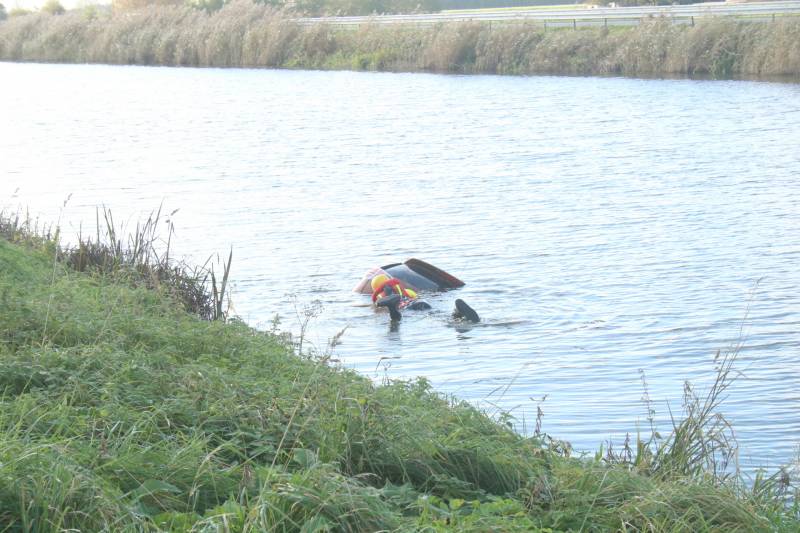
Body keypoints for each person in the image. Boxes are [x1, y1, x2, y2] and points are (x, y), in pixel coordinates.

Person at [370, 273, 479, 323]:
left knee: (395, 319)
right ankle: (457, 314)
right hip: (420, 303)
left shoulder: (381, 299)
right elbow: (414, 295)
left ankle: (392, 307)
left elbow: (377, 307)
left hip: (406, 308)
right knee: (434, 314)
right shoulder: (405, 292)